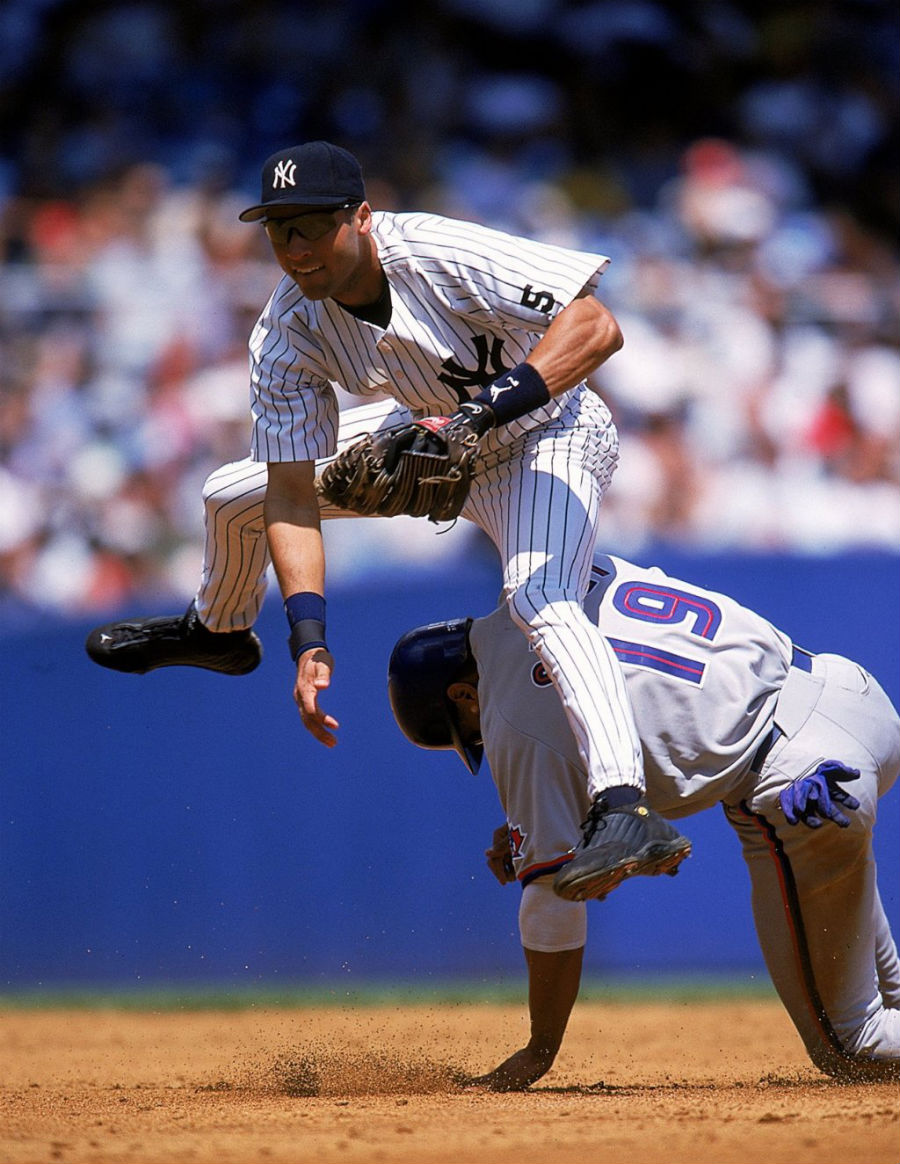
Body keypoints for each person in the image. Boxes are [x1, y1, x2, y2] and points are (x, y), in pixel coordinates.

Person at [87, 138, 686, 890]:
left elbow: (597, 326)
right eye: (278, 230)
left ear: (362, 217)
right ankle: (221, 630)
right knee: (230, 492)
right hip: (433, 430)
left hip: (548, 434)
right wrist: (309, 636)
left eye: (311, 225)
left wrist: (475, 418)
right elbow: (292, 496)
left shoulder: (434, 251)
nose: (294, 247)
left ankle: (624, 806)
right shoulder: (283, 332)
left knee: (541, 601)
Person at [386, 552, 900, 1090]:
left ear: (463, 693)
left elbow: (552, 903)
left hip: (801, 782)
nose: (480, 738)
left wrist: (538, 1052)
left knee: (851, 1045)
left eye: (466, 729)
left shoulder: (506, 709)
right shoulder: (551, 582)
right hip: (849, 696)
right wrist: (550, 817)